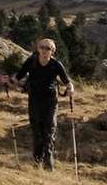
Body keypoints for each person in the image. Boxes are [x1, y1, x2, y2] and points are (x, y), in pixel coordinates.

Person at [12, 36, 74, 169]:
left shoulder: (56, 64)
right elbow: (18, 76)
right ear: (38, 49)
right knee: (37, 131)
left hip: (50, 100)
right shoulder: (31, 62)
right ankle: (37, 160)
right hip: (34, 99)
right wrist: (9, 82)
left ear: (52, 51)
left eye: (48, 48)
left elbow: (66, 80)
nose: (45, 50)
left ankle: (48, 162)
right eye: (42, 47)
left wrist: (70, 88)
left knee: (49, 129)